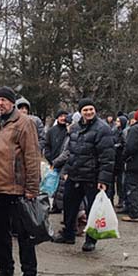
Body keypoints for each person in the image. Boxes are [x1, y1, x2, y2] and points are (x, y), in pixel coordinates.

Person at [0, 87, 41, 276]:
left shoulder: (24, 123)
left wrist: (32, 188)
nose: (1, 103)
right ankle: (5, 270)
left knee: (24, 236)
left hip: (17, 189)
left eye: (5, 100)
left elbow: (32, 157)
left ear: (12, 103)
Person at [52, 98, 115, 252]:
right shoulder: (74, 128)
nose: (88, 112)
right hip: (74, 174)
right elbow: (70, 152)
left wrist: (103, 179)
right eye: (85, 110)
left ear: (95, 110)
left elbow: (107, 156)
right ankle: (68, 234)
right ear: (80, 112)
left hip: (92, 177)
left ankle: (91, 240)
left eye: (90, 109)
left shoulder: (103, 129)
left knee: (93, 210)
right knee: (69, 205)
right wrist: (66, 171)